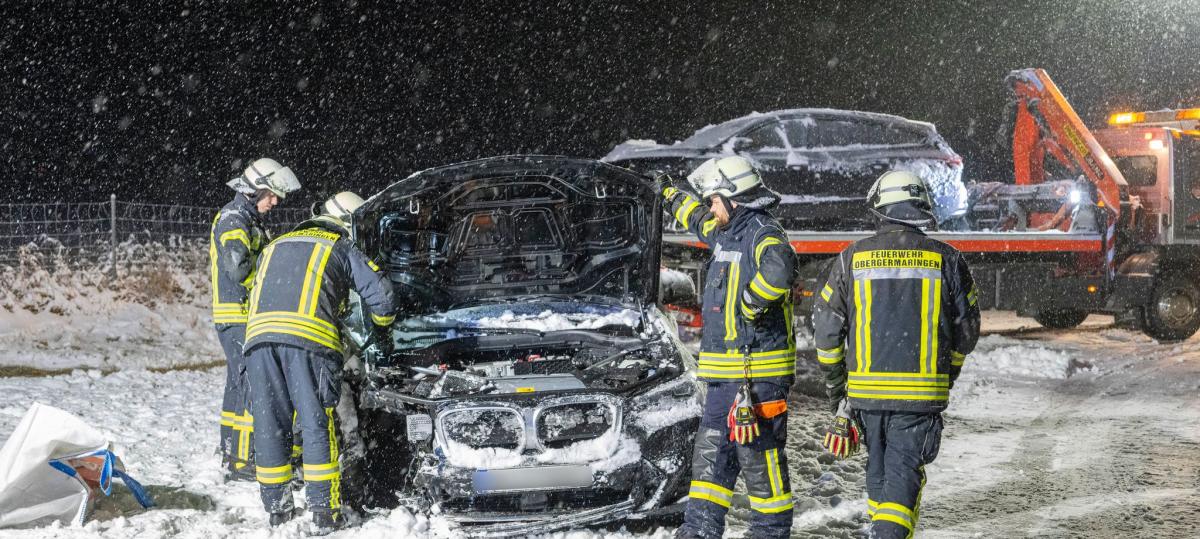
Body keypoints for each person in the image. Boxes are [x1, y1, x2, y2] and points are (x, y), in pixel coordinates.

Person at [812, 170, 981, 539]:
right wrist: (946, 374)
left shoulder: (850, 259)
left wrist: (838, 391)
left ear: (881, 209)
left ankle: (882, 530)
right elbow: (966, 334)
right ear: (922, 209)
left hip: (866, 397)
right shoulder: (948, 260)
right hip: (919, 398)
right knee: (902, 474)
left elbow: (825, 336)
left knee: (879, 473)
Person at [661, 156, 799, 539]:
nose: (709, 208)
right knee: (710, 462)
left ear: (732, 197)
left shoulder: (761, 231)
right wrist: (669, 192)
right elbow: (694, 217)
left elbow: (780, 267)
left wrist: (751, 303)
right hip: (725, 379)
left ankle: (770, 534)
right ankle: (698, 531)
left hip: (758, 379)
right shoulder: (726, 230)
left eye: (713, 200)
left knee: (761, 467)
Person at [244, 191, 396, 532]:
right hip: (308, 343)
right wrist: (382, 333)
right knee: (316, 423)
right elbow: (383, 298)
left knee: (270, 424)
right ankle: (324, 512)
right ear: (348, 223)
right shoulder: (339, 245)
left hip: (258, 342)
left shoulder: (277, 243)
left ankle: (277, 508)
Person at [210, 158, 300, 481]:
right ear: (254, 191)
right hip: (239, 316)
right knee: (255, 386)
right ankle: (248, 459)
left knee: (237, 386)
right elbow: (239, 268)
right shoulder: (235, 220)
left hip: (237, 317)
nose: (274, 202)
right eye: (271, 195)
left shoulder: (246, 218)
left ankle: (232, 453)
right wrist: (272, 279)